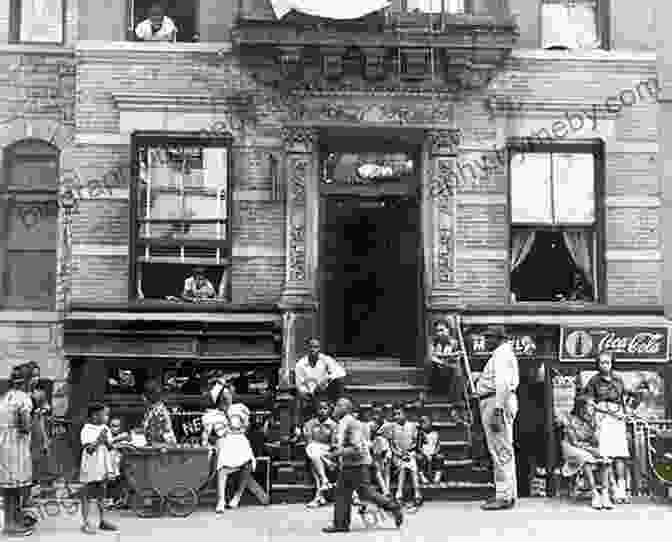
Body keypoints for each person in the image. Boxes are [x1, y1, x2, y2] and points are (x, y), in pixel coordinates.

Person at [322, 398, 403, 533]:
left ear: (346, 408)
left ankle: (393, 507)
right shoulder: (342, 423)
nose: (334, 407)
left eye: (338, 405)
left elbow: (356, 448)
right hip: (350, 464)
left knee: (366, 493)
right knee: (343, 493)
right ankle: (341, 524)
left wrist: (335, 454)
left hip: (358, 464)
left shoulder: (352, 424)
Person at [475, 325, 520, 510]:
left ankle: (504, 496)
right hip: (496, 400)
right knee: (501, 450)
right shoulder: (502, 354)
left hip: (496, 401)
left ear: (499, 338)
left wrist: (498, 410)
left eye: (489, 337)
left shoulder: (501, 354)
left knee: (500, 451)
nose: (486, 341)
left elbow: (502, 383)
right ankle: (506, 494)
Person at [582, 351, 631, 504]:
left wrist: (626, 411)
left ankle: (622, 490)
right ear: (598, 364)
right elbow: (590, 402)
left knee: (620, 454)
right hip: (603, 419)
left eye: (607, 362)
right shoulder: (594, 381)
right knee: (606, 455)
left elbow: (625, 399)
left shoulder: (618, 379)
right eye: (602, 362)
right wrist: (598, 413)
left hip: (618, 418)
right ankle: (612, 490)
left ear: (612, 363)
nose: (605, 365)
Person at [201, 379, 256, 513]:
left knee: (248, 461)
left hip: (239, 440)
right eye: (224, 398)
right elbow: (206, 435)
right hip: (223, 441)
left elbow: (247, 427)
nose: (227, 400)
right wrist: (207, 445)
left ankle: (238, 495)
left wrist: (241, 427)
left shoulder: (239, 409)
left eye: (229, 396)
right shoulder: (211, 415)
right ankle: (221, 500)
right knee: (223, 462)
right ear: (219, 400)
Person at [0, 363, 35, 537]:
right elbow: (25, 426)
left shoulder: (6, 396)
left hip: (4, 444)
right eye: (34, 377)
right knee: (15, 487)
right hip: (16, 445)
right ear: (27, 380)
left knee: (9, 488)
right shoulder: (24, 398)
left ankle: (10, 520)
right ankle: (11, 525)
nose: (36, 380)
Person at [560, 396, 612, 509]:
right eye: (590, 405)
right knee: (586, 458)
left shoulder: (592, 419)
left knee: (605, 457)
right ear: (581, 407)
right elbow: (574, 442)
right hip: (570, 447)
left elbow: (595, 441)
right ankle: (594, 493)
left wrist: (597, 428)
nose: (593, 408)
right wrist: (593, 451)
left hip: (587, 447)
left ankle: (605, 493)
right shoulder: (569, 419)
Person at [79, 402, 117, 534]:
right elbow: (89, 449)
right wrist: (99, 439)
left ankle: (103, 520)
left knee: (102, 492)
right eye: (105, 414)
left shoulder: (105, 428)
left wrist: (106, 440)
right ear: (95, 416)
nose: (107, 417)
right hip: (90, 467)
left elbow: (111, 447)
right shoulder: (87, 429)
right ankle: (85, 522)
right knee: (87, 494)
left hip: (102, 466)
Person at [294, 339, 347, 422]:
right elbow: (299, 386)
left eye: (316, 347)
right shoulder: (300, 365)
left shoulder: (325, 359)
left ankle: (335, 413)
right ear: (307, 349)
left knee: (338, 382)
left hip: (326, 392)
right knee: (300, 399)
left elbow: (341, 372)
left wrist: (327, 379)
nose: (313, 350)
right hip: (310, 395)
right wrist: (310, 391)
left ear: (319, 349)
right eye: (311, 347)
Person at [386, 403, 422, 506]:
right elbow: (391, 445)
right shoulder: (392, 427)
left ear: (405, 414)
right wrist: (399, 454)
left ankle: (417, 494)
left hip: (409, 454)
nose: (397, 416)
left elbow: (415, 442)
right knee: (402, 466)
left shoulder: (412, 426)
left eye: (399, 413)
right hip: (397, 456)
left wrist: (408, 452)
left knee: (413, 467)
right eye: (395, 414)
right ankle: (399, 494)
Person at [304, 400, 338, 508]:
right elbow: (309, 441)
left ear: (329, 410)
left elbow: (333, 445)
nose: (322, 411)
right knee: (313, 449)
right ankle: (324, 481)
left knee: (315, 465)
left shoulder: (333, 425)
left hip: (326, 451)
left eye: (325, 408)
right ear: (316, 410)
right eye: (320, 408)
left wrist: (325, 456)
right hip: (313, 449)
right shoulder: (309, 424)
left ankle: (319, 496)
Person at [431, 319, 465, 402]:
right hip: (436, 371)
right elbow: (432, 356)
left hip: (449, 371)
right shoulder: (434, 342)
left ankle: (456, 399)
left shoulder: (455, 343)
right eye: (437, 331)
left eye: (442, 330)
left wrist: (445, 358)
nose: (439, 333)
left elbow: (458, 357)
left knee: (458, 370)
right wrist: (449, 357)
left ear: (448, 330)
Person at [141, 379, 177, 445]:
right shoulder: (150, 409)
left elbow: (167, 433)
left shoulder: (160, 411)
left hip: (162, 446)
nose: (143, 397)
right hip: (154, 445)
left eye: (147, 393)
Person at [367, 405, 391, 496]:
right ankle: (385, 490)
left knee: (387, 466)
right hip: (374, 452)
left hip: (386, 450)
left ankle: (387, 489)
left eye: (378, 413)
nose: (376, 415)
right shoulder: (369, 425)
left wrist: (387, 453)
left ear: (383, 414)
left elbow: (390, 440)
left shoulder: (387, 425)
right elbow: (368, 442)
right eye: (374, 413)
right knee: (377, 467)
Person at [416, 414, 441, 485]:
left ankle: (438, 474)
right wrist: (425, 454)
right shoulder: (421, 434)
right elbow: (419, 446)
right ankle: (421, 475)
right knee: (419, 458)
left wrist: (434, 453)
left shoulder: (435, 433)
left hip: (433, 452)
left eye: (426, 422)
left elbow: (438, 445)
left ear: (430, 422)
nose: (424, 424)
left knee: (440, 457)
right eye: (422, 422)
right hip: (424, 453)